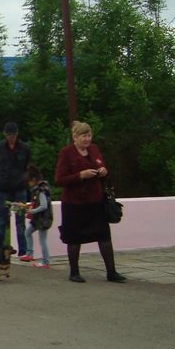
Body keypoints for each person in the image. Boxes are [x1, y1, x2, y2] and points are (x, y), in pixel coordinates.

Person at [53, 121, 126, 283]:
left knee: (104, 236)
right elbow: (59, 179)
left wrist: (104, 172)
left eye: (89, 135)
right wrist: (80, 175)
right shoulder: (66, 153)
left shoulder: (94, 150)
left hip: (96, 201)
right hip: (74, 203)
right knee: (74, 238)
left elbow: (104, 169)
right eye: (83, 136)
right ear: (75, 137)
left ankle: (111, 272)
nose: (87, 139)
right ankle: (74, 272)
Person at [0, 121, 31, 256]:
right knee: (1, 223)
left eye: (13, 135)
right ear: (5, 134)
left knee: (20, 222)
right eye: (9, 135)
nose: (11, 137)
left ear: (17, 134)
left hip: (20, 188)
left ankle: (23, 252)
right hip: (3, 188)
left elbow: (28, 167)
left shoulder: (25, 148)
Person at [20, 164, 53, 268]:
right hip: (38, 219)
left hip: (43, 219)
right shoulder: (39, 190)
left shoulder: (41, 190)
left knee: (42, 240)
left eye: (29, 181)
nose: (28, 184)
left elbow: (44, 206)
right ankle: (29, 254)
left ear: (34, 179)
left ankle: (45, 262)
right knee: (27, 232)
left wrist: (32, 211)